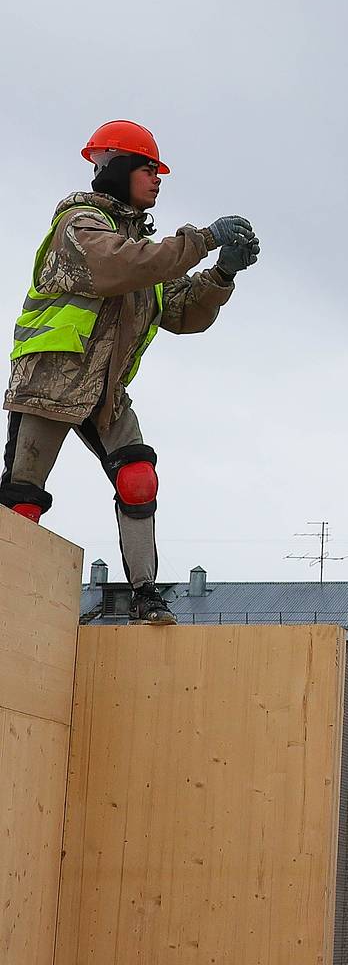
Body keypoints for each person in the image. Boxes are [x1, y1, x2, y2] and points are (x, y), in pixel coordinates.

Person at [1, 120, 260, 621]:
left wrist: (222, 274)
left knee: (138, 478)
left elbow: (182, 312)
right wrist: (204, 239)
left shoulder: (142, 250)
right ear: (117, 169)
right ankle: (11, 596)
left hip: (105, 393)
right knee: (23, 500)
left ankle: (146, 597)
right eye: (147, 168)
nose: (158, 179)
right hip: (50, 384)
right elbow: (118, 267)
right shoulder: (80, 227)